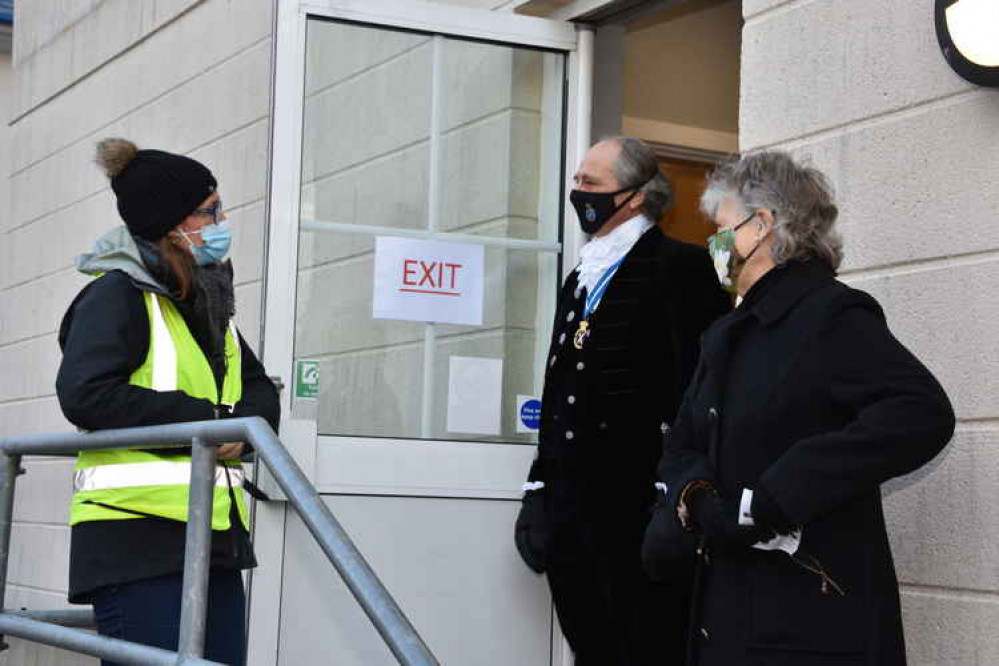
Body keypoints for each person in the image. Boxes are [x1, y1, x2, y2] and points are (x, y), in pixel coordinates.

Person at [641, 150, 955, 666]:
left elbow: (920, 412)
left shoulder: (829, 315)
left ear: (761, 225)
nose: (713, 245)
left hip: (807, 615)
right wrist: (697, 497)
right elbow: (683, 443)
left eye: (721, 228)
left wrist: (774, 497)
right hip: (727, 610)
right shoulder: (727, 332)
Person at [56, 138, 280, 665]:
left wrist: (235, 426)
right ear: (170, 223)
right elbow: (86, 394)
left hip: (211, 540)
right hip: (135, 543)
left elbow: (259, 391)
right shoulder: (119, 295)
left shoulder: (205, 302)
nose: (222, 220)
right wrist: (209, 424)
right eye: (209, 210)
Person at [514, 137, 731, 665]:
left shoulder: (682, 268)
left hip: (635, 510)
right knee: (590, 644)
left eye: (591, 183)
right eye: (577, 181)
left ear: (634, 196)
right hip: (571, 510)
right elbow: (561, 386)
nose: (579, 192)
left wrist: (675, 498)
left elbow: (696, 394)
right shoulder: (581, 277)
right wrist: (539, 487)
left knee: (645, 648)